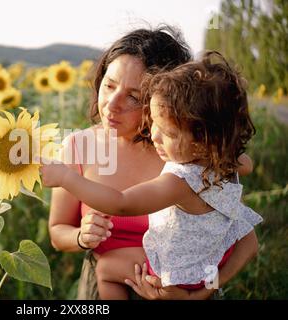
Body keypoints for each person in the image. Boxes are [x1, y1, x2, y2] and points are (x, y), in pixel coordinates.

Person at [42, 51, 263, 300]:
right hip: (204, 267)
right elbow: (249, 240)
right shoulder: (214, 161)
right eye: (109, 85)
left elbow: (121, 203)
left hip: (172, 274)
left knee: (105, 269)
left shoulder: (178, 177)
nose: (156, 135)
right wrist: (81, 236)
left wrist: (66, 178)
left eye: (134, 97)